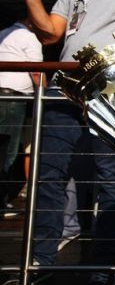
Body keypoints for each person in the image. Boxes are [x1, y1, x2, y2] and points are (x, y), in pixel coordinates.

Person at [12, 0, 115, 284]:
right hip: (63, 88)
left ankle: (101, 268)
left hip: (109, 91)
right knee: (48, 174)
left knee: (112, 178)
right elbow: (51, 33)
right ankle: (41, 265)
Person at [0, 16, 42, 218]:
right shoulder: (29, 38)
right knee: (7, 151)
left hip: (4, 95)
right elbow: (37, 73)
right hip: (12, 98)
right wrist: (45, 96)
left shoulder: (4, 34)